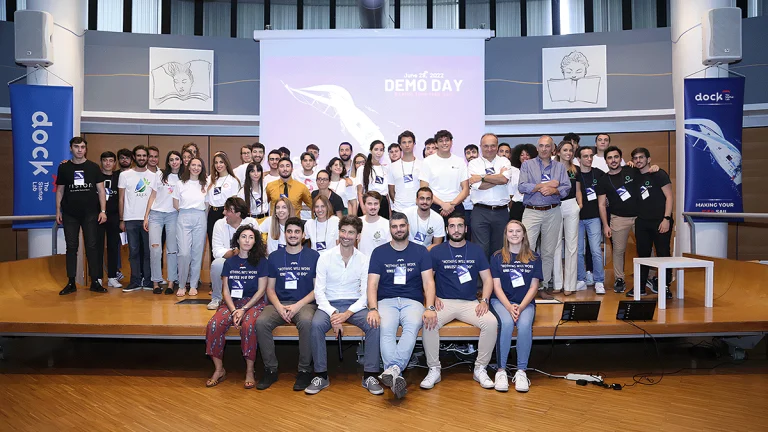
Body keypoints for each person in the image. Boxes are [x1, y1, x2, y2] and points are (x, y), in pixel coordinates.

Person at [306, 216, 383, 395]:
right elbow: (319, 292)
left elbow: (365, 294)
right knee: (316, 325)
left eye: (351, 232)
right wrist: (334, 314)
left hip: (354, 304)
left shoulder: (364, 260)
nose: (346, 236)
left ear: (358, 236)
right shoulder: (325, 257)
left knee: (373, 324)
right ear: (338, 232)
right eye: (343, 231)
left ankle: (370, 375)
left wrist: (346, 314)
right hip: (329, 304)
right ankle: (321, 375)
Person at [420, 213, 497, 390]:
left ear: (466, 229)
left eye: (460, 226)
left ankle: (480, 369)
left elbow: (487, 279)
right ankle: (434, 369)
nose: (456, 230)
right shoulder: (437, 251)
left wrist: (484, 300)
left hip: (470, 303)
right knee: (428, 321)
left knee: (491, 323)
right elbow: (427, 280)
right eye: (452, 226)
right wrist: (433, 298)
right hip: (443, 302)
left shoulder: (476, 250)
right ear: (447, 230)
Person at [366, 212, 436, 399]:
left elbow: (428, 282)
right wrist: (373, 309)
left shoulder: (420, 251)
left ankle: (392, 370)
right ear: (390, 229)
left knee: (412, 326)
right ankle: (396, 372)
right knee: (385, 328)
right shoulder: (379, 252)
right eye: (394, 226)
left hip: (412, 301)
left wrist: (429, 307)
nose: (398, 229)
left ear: (408, 227)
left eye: (402, 226)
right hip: (386, 301)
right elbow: (372, 284)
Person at [256, 217, 320, 391]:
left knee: (306, 322)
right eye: (289, 231)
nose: (293, 235)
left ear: (303, 235)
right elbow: (270, 289)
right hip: (279, 303)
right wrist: (279, 307)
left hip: (305, 304)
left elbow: (317, 290)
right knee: (261, 322)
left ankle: (304, 370)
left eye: (297, 232)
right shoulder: (274, 257)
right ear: (285, 234)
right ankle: (270, 369)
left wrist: (297, 306)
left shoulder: (314, 256)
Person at [204, 225, 269, 389]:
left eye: (251, 237)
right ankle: (219, 369)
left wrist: (244, 309)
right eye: (244, 237)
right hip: (232, 303)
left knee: (248, 325)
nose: (247, 240)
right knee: (213, 325)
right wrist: (233, 310)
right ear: (237, 240)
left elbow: (261, 290)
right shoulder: (229, 262)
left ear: (255, 241)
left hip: (253, 303)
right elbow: (225, 290)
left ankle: (250, 370)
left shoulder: (261, 262)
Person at [490, 220, 542, 393]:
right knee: (506, 324)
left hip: (525, 303)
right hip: (501, 302)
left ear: (524, 234)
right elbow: (496, 287)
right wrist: (509, 306)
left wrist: (520, 307)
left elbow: (534, 287)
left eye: (518, 231)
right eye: (510, 231)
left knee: (525, 325)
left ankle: (521, 371)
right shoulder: (497, 256)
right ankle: (501, 371)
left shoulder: (534, 257)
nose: (514, 234)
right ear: (505, 235)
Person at [518, 136, 570, 300]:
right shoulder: (527, 165)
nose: (544, 149)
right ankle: (526, 287)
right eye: (541, 146)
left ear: (552, 148)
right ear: (537, 148)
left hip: (553, 212)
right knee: (527, 250)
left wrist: (555, 190)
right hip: (531, 211)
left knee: (548, 252)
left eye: (547, 146)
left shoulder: (560, 167)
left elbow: (566, 187)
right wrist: (543, 185)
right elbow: (522, 186)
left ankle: (543, 285)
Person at [56, 136, 108, 295]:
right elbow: (60, 190)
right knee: (71, 247)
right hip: (70, 214)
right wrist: (58, 211)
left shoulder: (93, 167)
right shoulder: (64, 168)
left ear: (86, 149)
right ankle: (71, 282)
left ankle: (95, 282)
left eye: (82, 147)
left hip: (91, 213)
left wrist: (103, 211)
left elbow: (101, 191)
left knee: (92, 246)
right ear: (70, 148)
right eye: (76, 147)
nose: (80, 150)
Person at [631, 147, 674, 299]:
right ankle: (641, 286)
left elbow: (669, 197)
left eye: (641, 157)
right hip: (642, 222)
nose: (638, 160)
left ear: (648, 159)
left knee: (663, 254)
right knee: (642, 255)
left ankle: (665, 287)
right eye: (635, 158)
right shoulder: (634, 174)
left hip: (660, 221)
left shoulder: (659, 174)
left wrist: (666, 219)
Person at [596, 146, 639, 294]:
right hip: (618, 219)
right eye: (610, 158)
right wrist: (605, 225)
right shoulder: (603, 180)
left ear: (621, 159)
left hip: (639, 217)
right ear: (606, 161)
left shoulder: (631, 171)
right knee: (618, 251)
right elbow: (601, 204)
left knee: (646, 248)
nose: (613, 160)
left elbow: (647, 175)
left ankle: (649, 276)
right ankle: (619, 279)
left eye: (616, 157)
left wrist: (654, 167)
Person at [143, 150, 183, 295]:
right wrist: (146, 216)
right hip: (156, 215)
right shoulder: (160, 175)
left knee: (172, 250)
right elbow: (152, 196)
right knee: (155, 249)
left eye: (177, 159)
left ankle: (171, 282)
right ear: (168, 162)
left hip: (173, 215)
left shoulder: (183, 178)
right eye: (171, 159)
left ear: (181, 161)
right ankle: (156, 282)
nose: (174, 162)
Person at [468, 134, 514, 259]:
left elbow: (504, 179)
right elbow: (479, 186)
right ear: (480, 146)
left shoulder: (504, 161)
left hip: (501, 211)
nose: (489, 149)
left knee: (499, 249)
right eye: (486, 146)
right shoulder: (473, 163)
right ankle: (483, 273)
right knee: (481, 248)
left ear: (497, 146)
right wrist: (498, 177)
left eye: (493, 146)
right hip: (480, 211)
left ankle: (496, 273)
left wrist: (481, 177)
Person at [207, 197, 258, 310]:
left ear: (238, 214)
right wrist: (234, 252)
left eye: (227, 210)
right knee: (217, 264)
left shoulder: (251, 223)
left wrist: (243, 253)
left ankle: (254, 298)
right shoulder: (219, 224)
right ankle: (216, 298)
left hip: (248, 258)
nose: (224, 213)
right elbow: (216, 251)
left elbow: (257, 245)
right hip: (229, 259)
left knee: (260, 262)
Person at [119, 145, 154, 292]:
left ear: (147, 158)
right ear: (134, 157)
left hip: (148, 219)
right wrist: (121, 219)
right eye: (139, 155)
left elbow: (154, 198)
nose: (141, 158)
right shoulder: (125, 175)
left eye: (144, 155)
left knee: (148, 252)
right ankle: (135, 281)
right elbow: (121, 198)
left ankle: (148, 280)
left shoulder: (153, 176)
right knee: (133, 252)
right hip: (130, 218)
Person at [173, 157, 209, 297]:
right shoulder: (180, 183)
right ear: (188, 166)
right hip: (183, 216)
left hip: (200, 216)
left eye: (199, 165)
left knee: (197, 252)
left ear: (202, 168)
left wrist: (202, 218)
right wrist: (185, 213)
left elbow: (207, 205)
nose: (196, 168)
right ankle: (182, 285)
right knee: (184, 253)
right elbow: (175, 203)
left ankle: (193, 285)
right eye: (193, 165)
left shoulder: (205, 184)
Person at [419, 130, 470, 224]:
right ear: (436, 144)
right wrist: (442, 204)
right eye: (441, 141)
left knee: (458, 233)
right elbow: (423, 189)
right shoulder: (427, 162)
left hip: (456, 205)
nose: (444, 143)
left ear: (451, 142)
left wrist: (452, 204)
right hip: (434, 205)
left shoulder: (459, 161)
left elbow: (466, 189)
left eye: (447, 140)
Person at [553, 140, 582, 295]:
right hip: (555, 206)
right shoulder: (551, 168)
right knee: (556, 245)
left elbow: (578, 190)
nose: (568, 153)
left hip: (571, 205)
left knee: (572, 246)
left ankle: (570, 285)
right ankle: (557, 284)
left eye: (570, 150)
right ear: (558, 152)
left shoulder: (575, 169)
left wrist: (579, 205)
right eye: (565, 150)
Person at [576, 146, 606, 294]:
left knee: (596, 250)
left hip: (594, 217)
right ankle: (581, 279)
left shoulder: (599, 174)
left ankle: (599, 281)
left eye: (591, 156)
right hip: (577, 218)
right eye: (585, 156)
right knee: (578, 251)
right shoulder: (574, 174)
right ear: (578, 159)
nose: (589, 159)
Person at [207, 151, 241, 261]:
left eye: (221, 162)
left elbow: (234, 201)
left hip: (226, 213)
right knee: (214, 244)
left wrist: (229, 213)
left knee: (228, 243)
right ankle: (215, 268)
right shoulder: (210, 179)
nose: (218, 165)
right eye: (216, 162)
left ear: (226, 163)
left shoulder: (233, 180)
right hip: (212, 213)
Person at [97, 151, 123, 289]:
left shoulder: (119, 177)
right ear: (101, 162)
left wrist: (122, 218)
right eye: (105, 160)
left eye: (111, 160)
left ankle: (112, 276)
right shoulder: (95, 175)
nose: (108, 163)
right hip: (98, 216)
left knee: (113, 247)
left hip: (114, 216)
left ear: (114, 163)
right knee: (97, 247)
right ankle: (98, 277)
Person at [387, 130, 422, 214]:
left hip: (417, 209)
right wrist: (398, 203)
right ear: (400, 145)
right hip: (398, 209)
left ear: (414, 144)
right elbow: (391, 190)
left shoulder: (422, 165)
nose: (407, 145)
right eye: (404, 142)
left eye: (410, 142)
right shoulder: (392, 166)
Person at [356, 140, 391, 218]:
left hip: (383, 204)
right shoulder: (362, 169)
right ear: (370, 150)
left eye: (381, 150)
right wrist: (364, 209)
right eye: (376, 149)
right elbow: (360, 192)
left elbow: (386, 194)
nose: (378, 152)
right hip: (368, 203)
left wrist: (389, 211)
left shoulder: (385, 169)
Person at [509, 144, 537, 222]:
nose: (525, 157)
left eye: (527, 155)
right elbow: (511, 193)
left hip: (532, 206)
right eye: (522, 155)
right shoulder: (513, 171)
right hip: (517, 205)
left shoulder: (537, 172)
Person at [358, 192, 391, 256]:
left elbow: (390, 249)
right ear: (364, 205)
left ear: (379, 205)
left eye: (376, 204)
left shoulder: (387, 224)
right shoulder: (357, 222)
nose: (373, 207)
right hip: (361, 262)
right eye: (369, 204)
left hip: (380, 261)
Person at [294, 152, 319, 220]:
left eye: (310, 160)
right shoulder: (295, 175)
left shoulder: (319, 176)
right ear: (301, 162)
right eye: (305, 160)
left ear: (314, 162)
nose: (308, 163)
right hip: (299, 216)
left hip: (315, 216)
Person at [462, 144, 478, 240]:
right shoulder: (462, 170)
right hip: (465, 208)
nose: (471, 155)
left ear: (478, 154)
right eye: (468, 153)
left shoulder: (482, 170)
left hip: (478, 207)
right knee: (466, 235)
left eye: (473, 152)